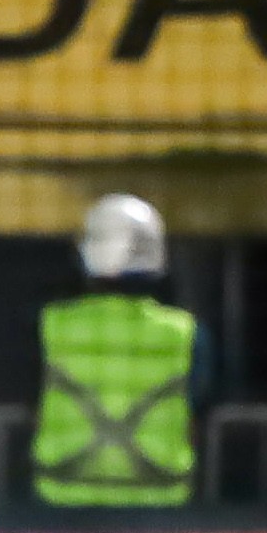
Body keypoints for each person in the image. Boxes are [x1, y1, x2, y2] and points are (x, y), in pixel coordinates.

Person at [34, 193, 200, 508]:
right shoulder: (185, 332)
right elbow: (202, 397)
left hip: (62, 496)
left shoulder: (51, 324)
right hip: (161, 498)